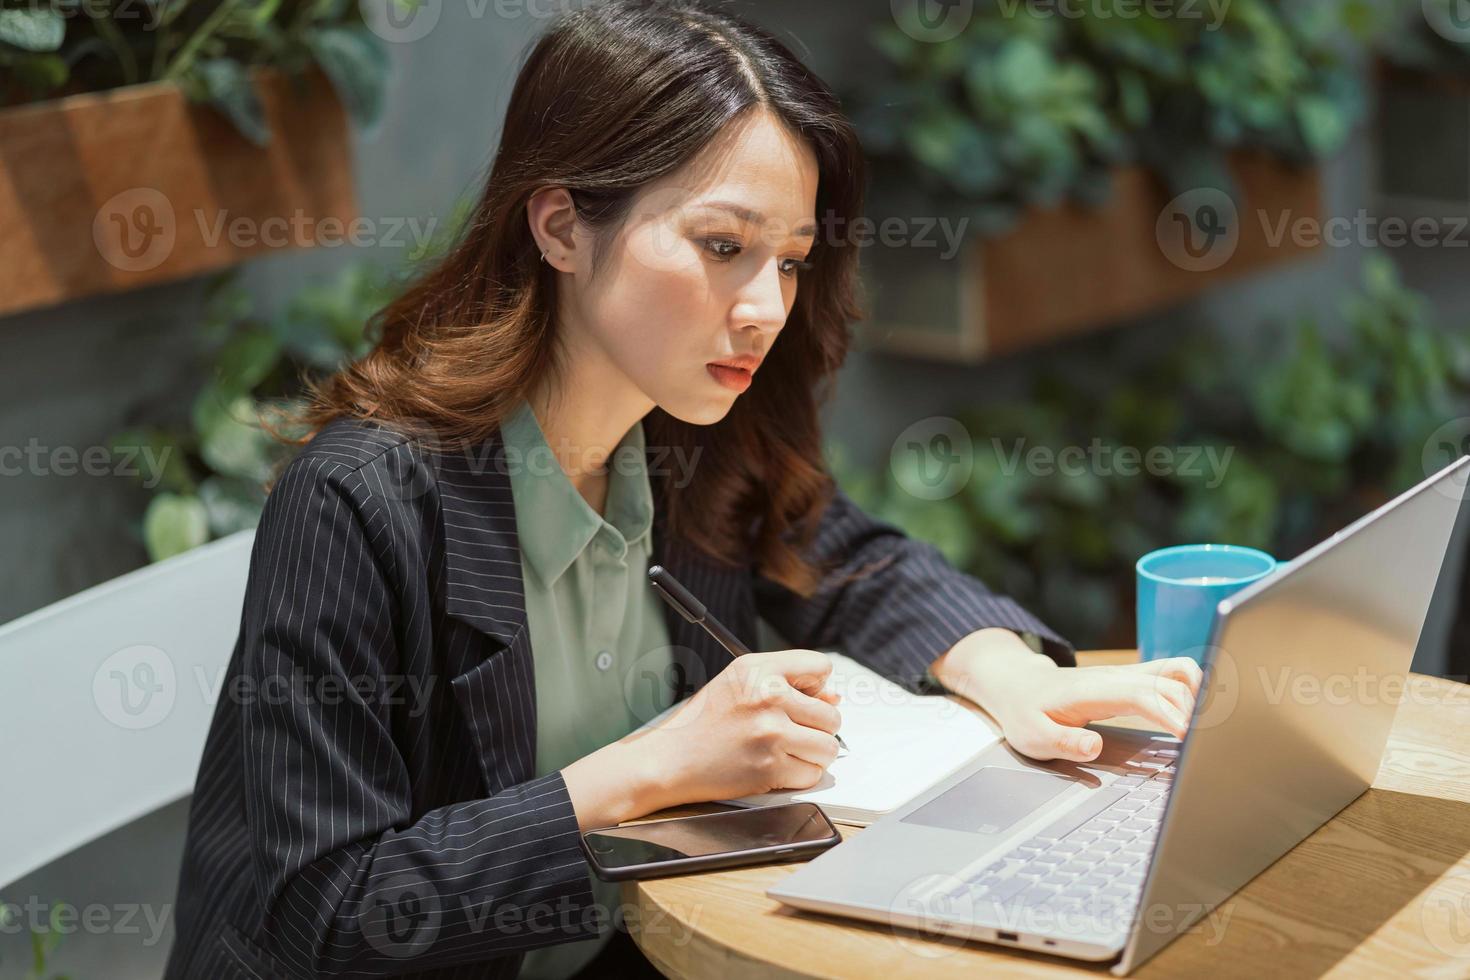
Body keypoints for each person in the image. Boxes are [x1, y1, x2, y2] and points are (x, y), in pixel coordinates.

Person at [162, 1, 1202, 977]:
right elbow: (333, 910)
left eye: (791, 262)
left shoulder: (686, 434)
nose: (764, 307)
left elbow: (846, 558)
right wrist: (651, 767)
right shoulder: (361, 500)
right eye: (722, 246)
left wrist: (1017, 680)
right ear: (562, 227)